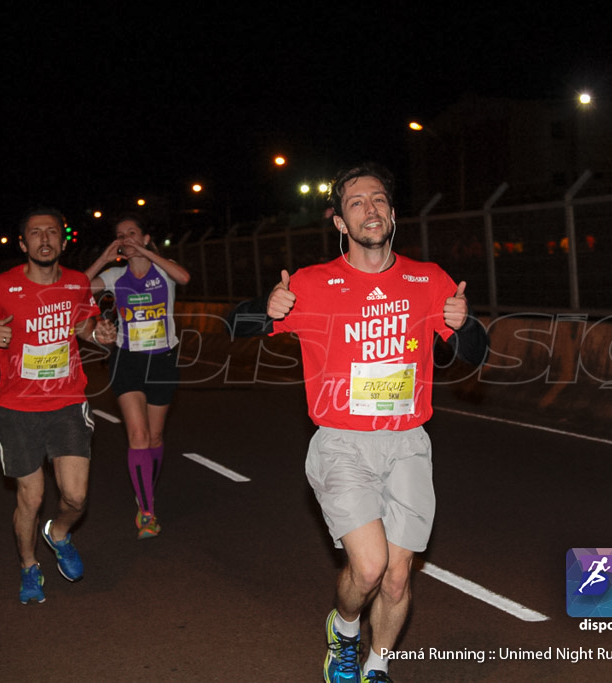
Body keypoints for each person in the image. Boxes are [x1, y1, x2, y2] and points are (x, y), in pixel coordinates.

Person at [231, 163, 488, 683]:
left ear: (391, 215)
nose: (369, 210)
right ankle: (344, 630)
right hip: (343, 443)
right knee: (368, 568)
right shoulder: (313, 283)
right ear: (340, 224)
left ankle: (376, 665)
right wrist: (268, 305)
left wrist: (464, 325)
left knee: (397, 579)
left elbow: (474, 353)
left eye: (377, 201)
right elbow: (238, 323)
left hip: (409, 443)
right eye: (355, 203)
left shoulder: (427, 279)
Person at [0, 208, 116, 604]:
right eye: (35, 233)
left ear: (63, 241)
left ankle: (58, 533)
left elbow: (84, 326)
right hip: (16, 408)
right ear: (23, 243)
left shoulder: (78, 283)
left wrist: (102, 333)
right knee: (30, 497)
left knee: (76, 498)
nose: (45, 239)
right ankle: (29, 566)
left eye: (52, 233)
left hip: (67, 402)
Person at [84, 213, 191, 539]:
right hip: (126, 360)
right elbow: (76, 288)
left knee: (155, 438)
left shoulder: (163, 270)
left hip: (162, 361)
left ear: (144, 238)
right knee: (138, 436)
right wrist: (104, 256)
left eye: (132, 233)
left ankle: (145, 489)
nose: (125, 238)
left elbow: (184, 277)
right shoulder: (116, 275)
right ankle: (146, 511)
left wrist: (146, 253)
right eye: (120, 235)